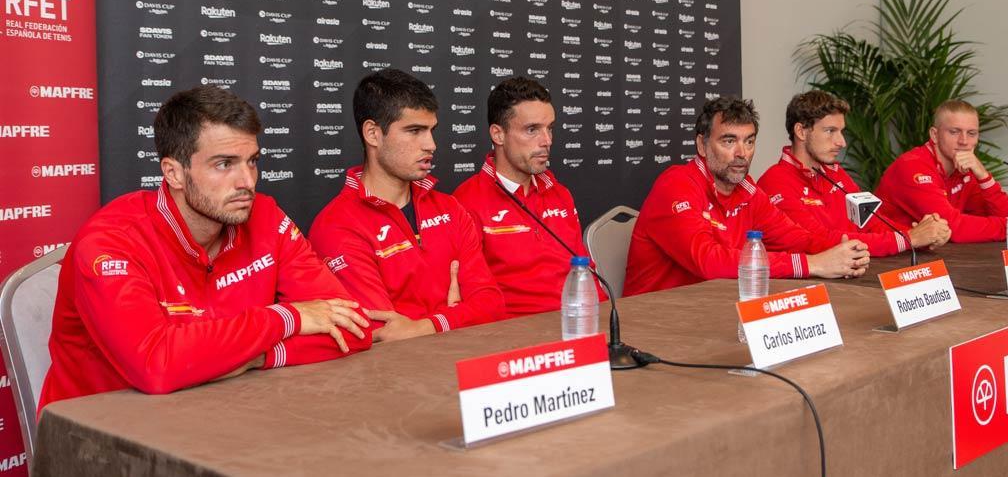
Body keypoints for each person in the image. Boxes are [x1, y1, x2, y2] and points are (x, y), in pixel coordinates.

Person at [40, 85, 371, 409]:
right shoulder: (111, 240)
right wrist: (286, 318)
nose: (247, 181)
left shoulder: (265, 216)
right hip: (98, 439)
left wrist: (257, 357)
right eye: (224, 164)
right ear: (174, 173)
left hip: (216, 413)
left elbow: (354, 328)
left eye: (252, 161)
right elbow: (157, 366)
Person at [309, 70, 505, 340]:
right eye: (414, 131)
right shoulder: (336, 226)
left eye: (430, 130)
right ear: (373, 134)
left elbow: (492, 305)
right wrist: (458, 315)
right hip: (393, 378)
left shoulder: (450, 208)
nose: (431, 144)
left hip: (465, 365)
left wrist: (428, 325)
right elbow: (382, 333)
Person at [623, 95, 871, 296]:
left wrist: (846, 250)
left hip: (713, 309)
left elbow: (795, 237)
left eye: (749, 142)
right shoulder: (676, 184)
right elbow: (710, 263)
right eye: (729, 141)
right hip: (654, 320)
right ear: (702, 145)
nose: (742, 153)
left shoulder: (747, 190)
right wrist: (814, 264)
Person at [453, 77, 606, 316]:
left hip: (576, 325)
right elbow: (476, 299)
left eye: (550, 128)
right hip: (515, 338)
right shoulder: (465, 202)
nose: (547, 141)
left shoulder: (559, 193)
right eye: (532, 129)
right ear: (498, 134)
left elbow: (586, 274)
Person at [758, 91, 951, 255]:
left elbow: (872, 222)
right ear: (801, 131)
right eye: (830, 131)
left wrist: (924, 233)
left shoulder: (835, 173)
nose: (841, 142)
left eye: (841, 131)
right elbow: (821, 241)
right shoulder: (774, 182)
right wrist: (909, 239)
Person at [876, 99, 1008, 243]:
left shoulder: (964, 167)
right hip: (892, 261)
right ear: (934, 135)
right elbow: (953, 227)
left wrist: (983, 176)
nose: (964, 141)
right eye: (954, 132)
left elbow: (1006, 215)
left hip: (931, 255)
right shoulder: (912, 166)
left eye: (972, 133)